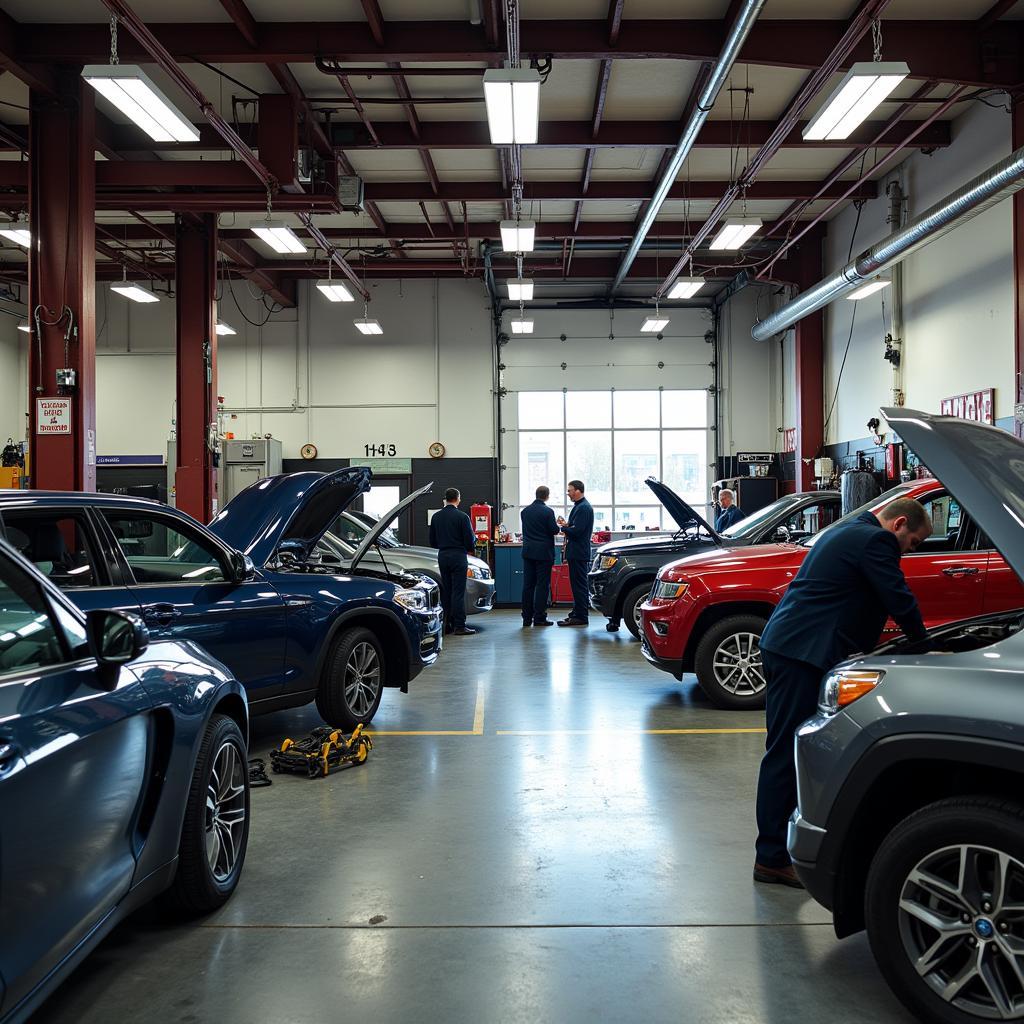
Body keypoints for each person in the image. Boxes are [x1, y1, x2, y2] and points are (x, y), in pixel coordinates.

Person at [753, 497, 933, 888]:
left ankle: (780, 849)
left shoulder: (846, 530)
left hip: (793, 646)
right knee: (785, 752)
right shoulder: (876, 541)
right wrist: (923, 642)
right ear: (898, 524)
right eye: (913, 543)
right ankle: (769, 857)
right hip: (801, 652)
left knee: (790, 748)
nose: (909, 551)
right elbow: (896, 595)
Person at [429, 487, 478, 636]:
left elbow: (432, 541)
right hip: (458, 556)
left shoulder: (436, 517)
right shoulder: (462, 517)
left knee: (447, 591)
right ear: (457, 498)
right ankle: (460, 626)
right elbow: (470, 541)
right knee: (458, 592)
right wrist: (472, 543)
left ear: (445, 499)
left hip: (443, 556)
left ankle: (446, 625)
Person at [556, 479, 594, 627]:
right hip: (576, 552)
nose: (568, 493)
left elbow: (577, 531)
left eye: (570, 490)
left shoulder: (583, 508)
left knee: (579, 585)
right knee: (577, 584)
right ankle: (577, 613)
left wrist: (563, 529)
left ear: (578, 491)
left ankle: (581, 616)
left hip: (578, 552)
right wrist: (567, 525)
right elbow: (576, 527)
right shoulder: (579, 507)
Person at [520, 485, 559, 628]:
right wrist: (560, 526)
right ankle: (539, 618)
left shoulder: (524, 512)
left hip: (528, 552)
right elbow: (554, 530)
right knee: (542, 585)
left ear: (536, 495)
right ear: (547, 496)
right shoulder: (548, 512)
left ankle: (526, 618)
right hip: (543, 554)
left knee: (528, 585)